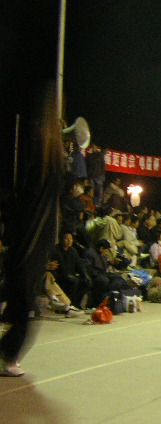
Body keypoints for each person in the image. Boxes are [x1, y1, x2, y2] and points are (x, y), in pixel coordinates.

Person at [1, 83, 64, 376]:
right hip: (29, 240)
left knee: (24, 308)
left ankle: (7, 355)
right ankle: (7, 356)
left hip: (35, 240)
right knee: (26, 310)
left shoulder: (51, 160)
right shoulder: (41, 155)